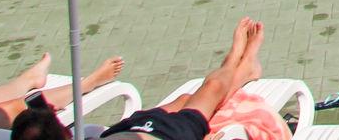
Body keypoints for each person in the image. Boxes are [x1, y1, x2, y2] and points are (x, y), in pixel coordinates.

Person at [96, 18, 267, 140]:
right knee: (212, 87)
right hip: (174, 135)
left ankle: (242, 69)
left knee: (184, 99)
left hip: (125, 130)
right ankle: (236, 63)